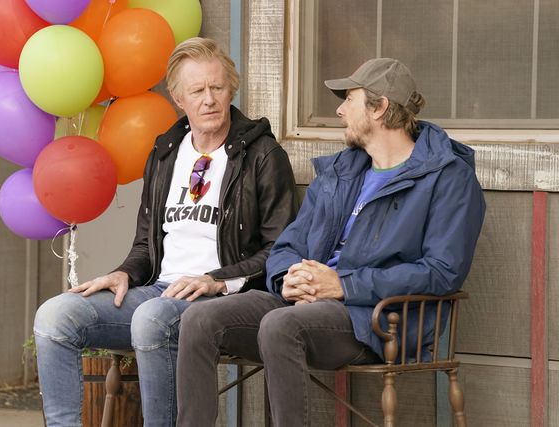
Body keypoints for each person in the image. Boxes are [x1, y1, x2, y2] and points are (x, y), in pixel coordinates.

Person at [175, 58, 486, 426]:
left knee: (281, 326)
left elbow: (442, 272)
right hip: (303, 303)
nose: (339, 110)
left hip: (376, 318)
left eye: (349, 99)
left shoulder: (448, 178)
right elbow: (288, 245)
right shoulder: (341, 171)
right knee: (200, 318)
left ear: (379, 108)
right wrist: (288, 278)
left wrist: (343, 285)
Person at [33, 37, 297, 427]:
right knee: (55, 317)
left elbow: (280, 250)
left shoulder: (261, 155)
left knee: (152, 318)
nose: (209, 100)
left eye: (217, 87)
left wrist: (215, 279)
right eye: (197, 91)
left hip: (226, 300)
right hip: (160, 291)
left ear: (231, 90)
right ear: (178, 98)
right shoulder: (166, 153)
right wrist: (124, 272)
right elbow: (147, 242)